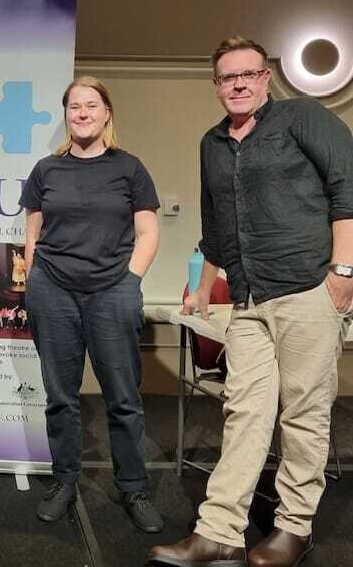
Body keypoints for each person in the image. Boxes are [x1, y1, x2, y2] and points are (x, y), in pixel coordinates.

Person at [148, 37, 353, 567]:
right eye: (226, 77)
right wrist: (202, 285)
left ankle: (294, 526)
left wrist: (344, 272)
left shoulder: (304, 118)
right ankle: (220, 531)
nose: (238, 84)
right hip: (248, 298)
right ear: (216, 86)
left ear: (265, 78)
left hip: (307, 286)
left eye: (248, 74)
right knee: (244, 412)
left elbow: (346, 189)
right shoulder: (211, 144)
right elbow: (215, 224)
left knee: (303, 414)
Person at [20, 76, 162, 532]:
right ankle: (64, 480)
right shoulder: (47, 170)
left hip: (111, 292)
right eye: (74, 106)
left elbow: (148, 232)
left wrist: (130, 281)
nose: (82, 113)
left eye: (91, 105)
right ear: (66, 115)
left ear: (107, 114)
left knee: (123, 398)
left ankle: (134, 486)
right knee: (61, 397)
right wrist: (34, 278)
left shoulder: (130, 168)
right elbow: (32, 233)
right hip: (53, 291)